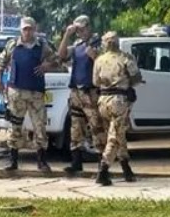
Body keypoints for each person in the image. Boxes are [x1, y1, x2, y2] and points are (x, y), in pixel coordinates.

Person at [0, 17, 60, 173]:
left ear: (34, 30)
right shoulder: (12, 45)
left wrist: (47, 65)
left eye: (30, 29)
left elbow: (57, 60)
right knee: (15, 126)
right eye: (25, 29)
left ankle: (41, 161)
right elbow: (1, 62)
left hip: (36, 93)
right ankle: (13, 161)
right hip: (16, 92)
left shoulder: (42, 46)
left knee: (40, 126)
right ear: (21, 30)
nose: (27, 32)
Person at [92, 31, 143, 185]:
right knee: (114, 137)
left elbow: (95, 82)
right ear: (117, 42)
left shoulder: (99, 60)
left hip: (103, 101)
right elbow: (137, 78)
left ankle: (126, 169)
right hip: (119, 101)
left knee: (118, 135)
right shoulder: (126, 58)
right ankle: (103, 170)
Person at [57, 15, 105, 175]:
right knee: (76, 127)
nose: (80, 32)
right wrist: (66, 35)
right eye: (77, 30)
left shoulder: (99, 43)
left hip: (91, 91)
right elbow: (61, 55)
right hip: (76, 92)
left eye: (82, 29)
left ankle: (102, 165)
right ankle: (76, 162)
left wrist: (95, 57)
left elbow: (107, 65)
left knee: (97, 127)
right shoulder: (77, 45)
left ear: (89, 27)